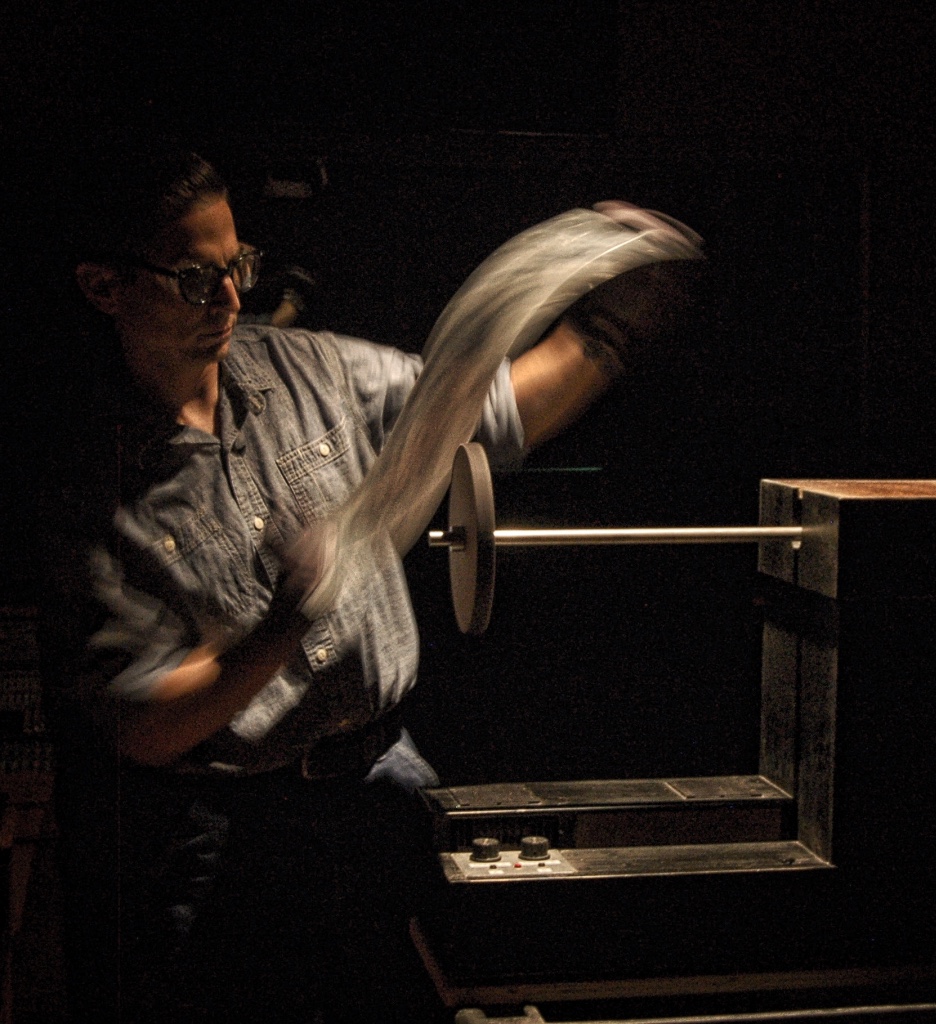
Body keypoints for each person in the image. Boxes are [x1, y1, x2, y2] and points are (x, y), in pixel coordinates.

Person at [35, 143, 703, 1023]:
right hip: (227, 835)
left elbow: (488, 410)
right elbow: (147, 724)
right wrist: (281, 625)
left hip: (381, 787)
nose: (232, 300)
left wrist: (607, 328)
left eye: (239, 266)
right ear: (103, 286)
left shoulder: (308, 371)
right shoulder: (89, 483)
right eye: (197, 280)